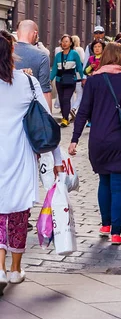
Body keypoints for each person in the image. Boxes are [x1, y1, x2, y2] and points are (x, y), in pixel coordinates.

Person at [0, 30, 63, 293]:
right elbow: (47, 124)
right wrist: (57, 160)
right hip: (20, 155)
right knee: (17, 212)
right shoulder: (26, 83)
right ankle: (14, 269)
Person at [68, 43, 121, 245]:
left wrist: (74, 139)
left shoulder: (93, 80)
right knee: (118, 187)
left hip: (98, 140)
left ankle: (105, 224)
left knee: (104, 182)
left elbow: (83, 112)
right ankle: (116, 233)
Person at [14, 20, 52, 110]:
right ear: (35, 34)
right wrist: (48, 119)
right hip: (30, 111)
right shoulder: (42, 56)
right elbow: (45, 91)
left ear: (18, 33)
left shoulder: (6, 51)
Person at [50, 34, 84, 127]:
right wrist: (50, 79)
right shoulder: (58, 55)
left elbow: (79, 67)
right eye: (63, 41)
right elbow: (54, 69)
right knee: (61, 99)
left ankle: (65, 119)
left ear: (70, 43)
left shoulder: (74, 54)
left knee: (66, 99)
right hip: (59, 80)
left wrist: (82, 78)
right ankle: (65, 117)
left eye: (66, 41)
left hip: (70, 80)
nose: (64, 43)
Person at [70, 35, 85, 120]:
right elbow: (83, 60)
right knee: (80, 95)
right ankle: (74, 108)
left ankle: (70, 110)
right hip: (79, 75)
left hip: (70, 75)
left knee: (71, 94)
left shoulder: (69, 51)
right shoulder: (80, 49)